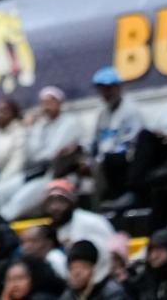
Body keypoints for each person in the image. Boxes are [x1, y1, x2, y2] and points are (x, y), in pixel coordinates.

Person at [91, 70, 146, 201]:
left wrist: (105, 156)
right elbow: (96, 142)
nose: (106, 93)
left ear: (118, 87)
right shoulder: (102, 114)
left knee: (109, 162)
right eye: (102, 89)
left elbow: (135, 140)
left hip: (125, 158)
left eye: (109, 88)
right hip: (104, 159)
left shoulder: (131, 110)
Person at [39, 184, 117, 252]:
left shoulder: (92, 221)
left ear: (70, 202)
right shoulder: (52, 228)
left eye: (60, 201)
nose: (55, 207)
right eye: (50, 202)